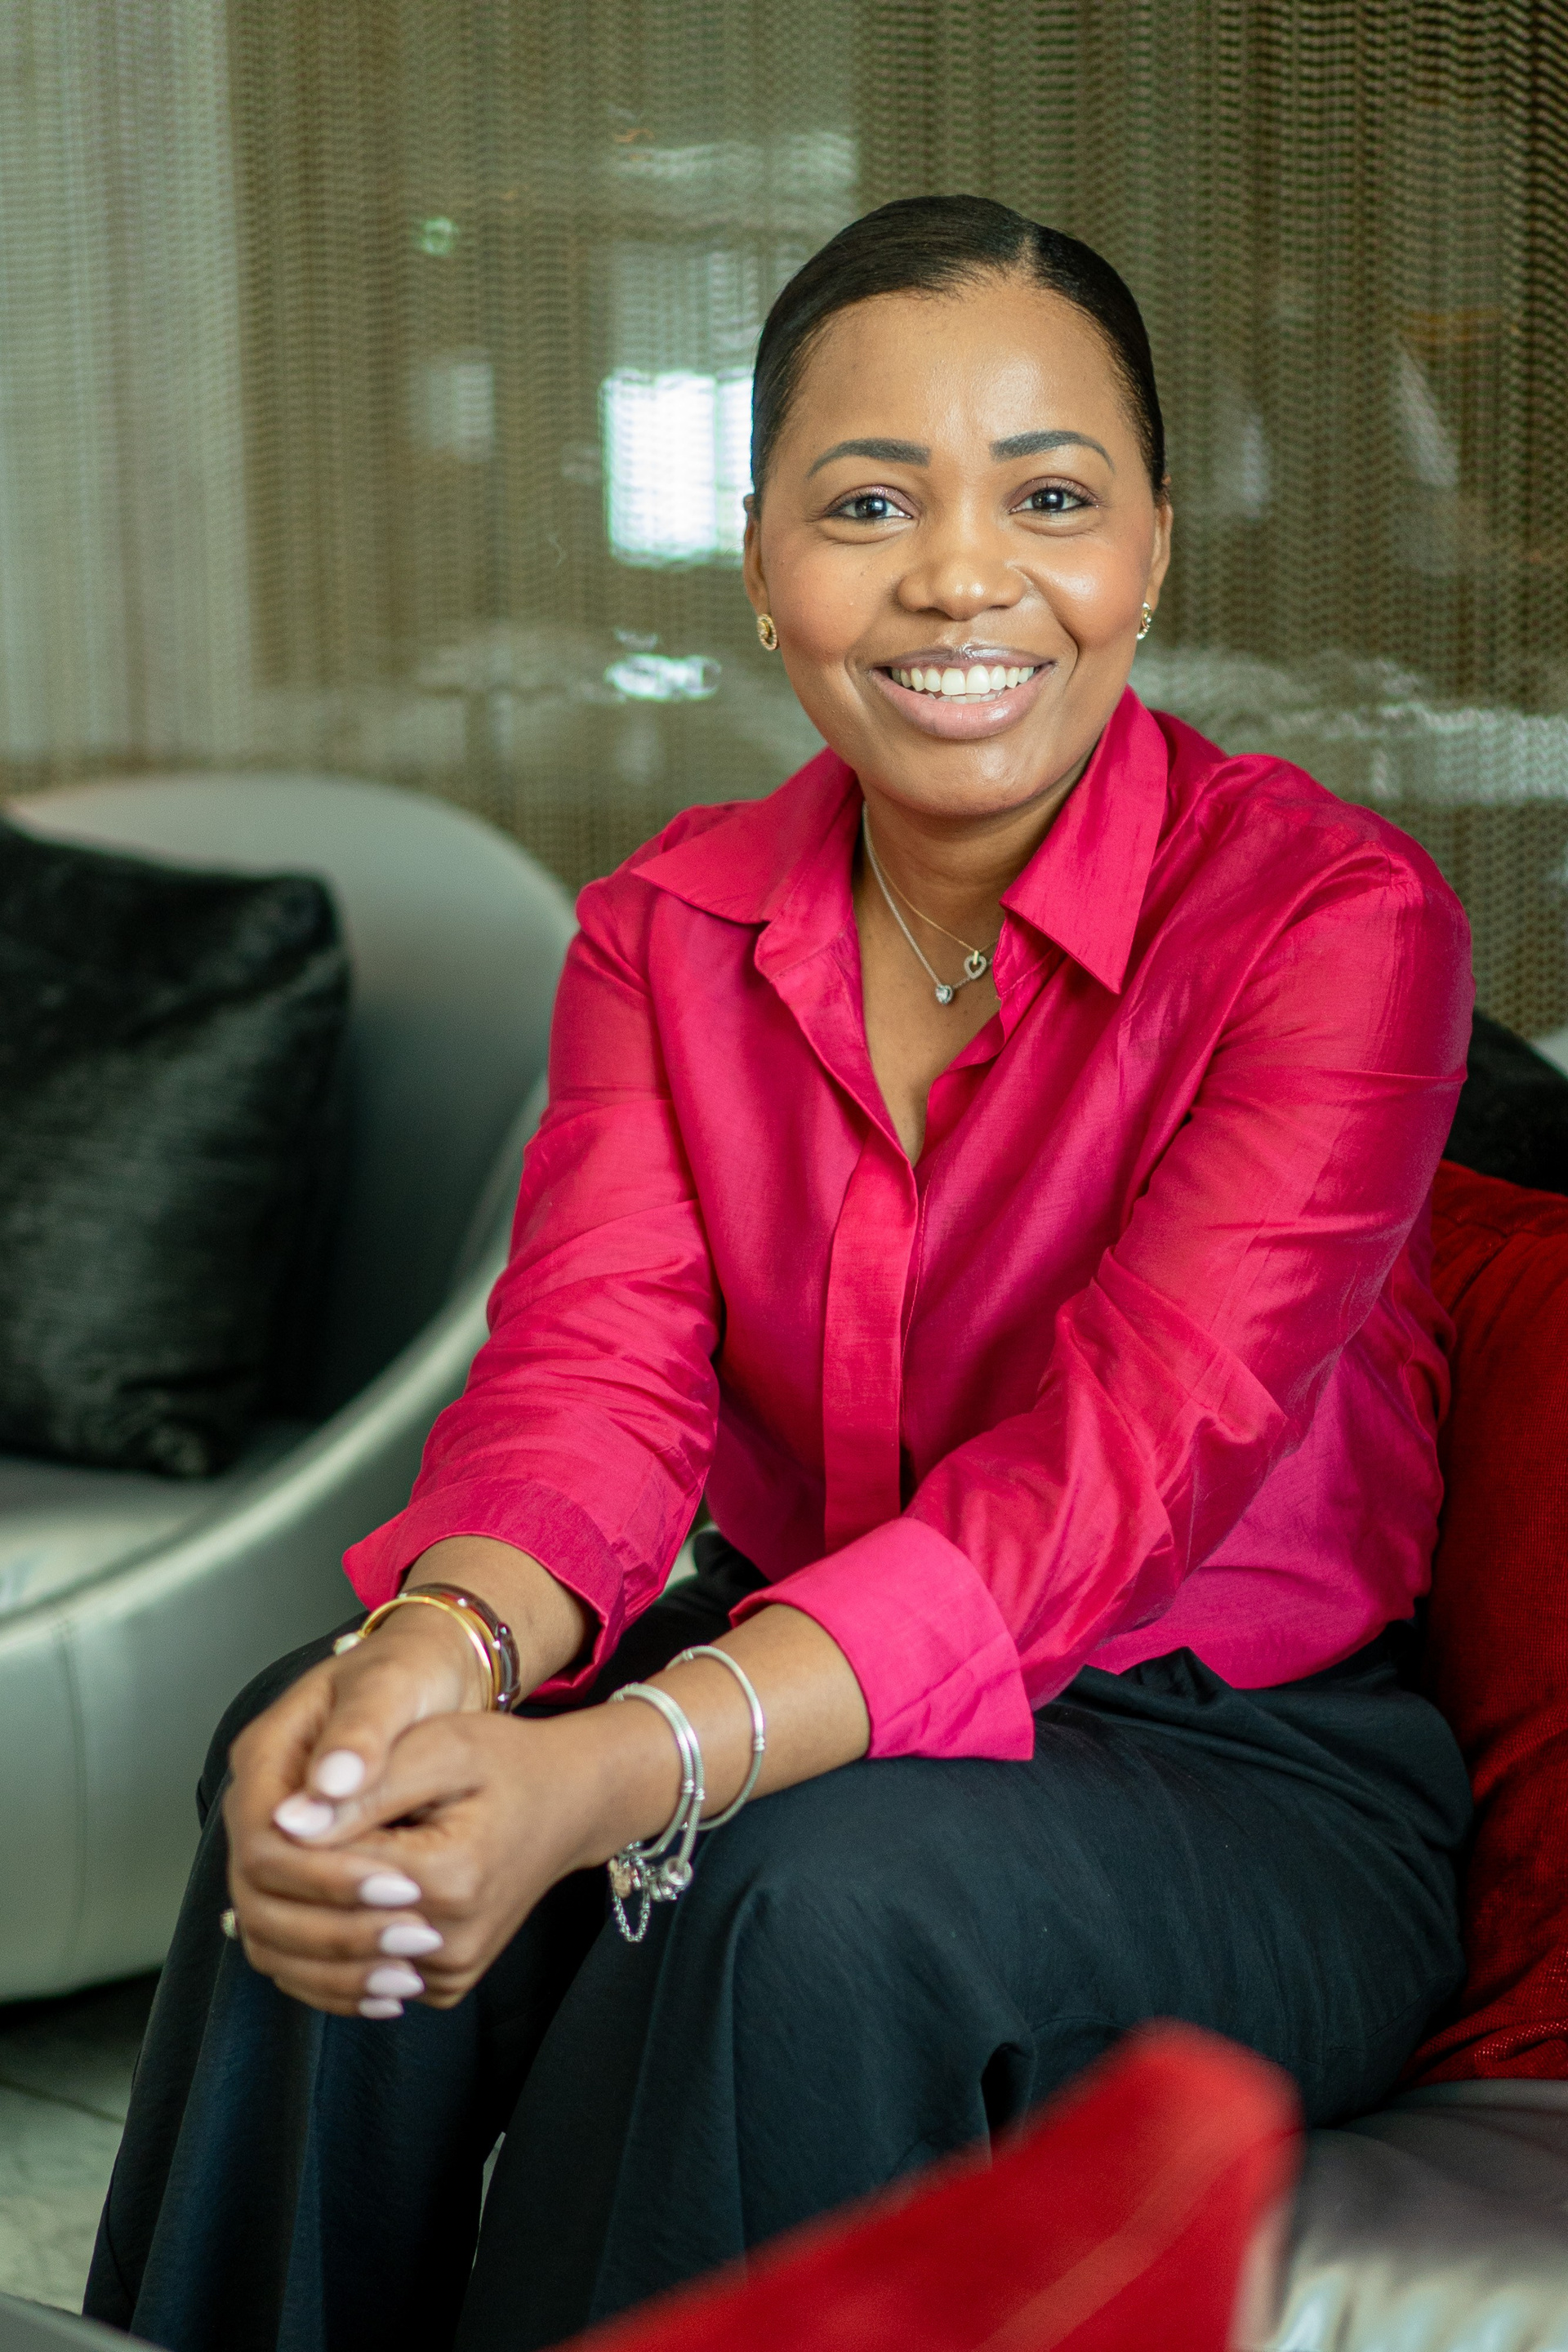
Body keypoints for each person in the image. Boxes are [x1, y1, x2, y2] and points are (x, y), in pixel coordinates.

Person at [86, 194, 1474, 2352]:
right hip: (784, 1662)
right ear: (758, 560)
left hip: (1239, 1772)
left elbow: (1106, 1489)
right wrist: (437, 1652)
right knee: (337, 1770)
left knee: (792, 1894)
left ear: (1152, 549)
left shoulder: (1334, 925)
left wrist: (614, 1770)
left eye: (1049, 498)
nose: (961, 576)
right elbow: (593, 1386)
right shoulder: (668, 929)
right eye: (868, 502)